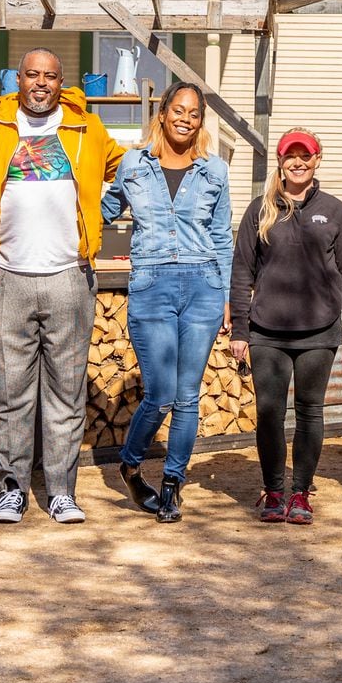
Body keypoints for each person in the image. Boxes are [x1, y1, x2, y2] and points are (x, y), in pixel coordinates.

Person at [0, 49, 124, 525]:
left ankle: (61, 491)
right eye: (32, 75)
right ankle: (13, 489)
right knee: (10, 392)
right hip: (7, 276)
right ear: (16, 79)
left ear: (63, 82)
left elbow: (129, 169)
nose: (41, 83)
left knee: (66, 391)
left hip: (69, 276)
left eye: (50, 76)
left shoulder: (88, 129)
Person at [102, 83, 233, 524]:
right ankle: (131, 463)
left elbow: (221, 237)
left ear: (200, 121)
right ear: (162, 114)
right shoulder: (134, 163)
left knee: (189, 395)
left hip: (203, 286)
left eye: (194, 113)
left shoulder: (214, 170)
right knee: (160, 393)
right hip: (152, 283)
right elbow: (104, 208)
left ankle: (173, 482)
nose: (185, 118)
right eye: (178, 110)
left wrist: (228, 294)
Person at [230, 128, 342, 525]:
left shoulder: (335, 212)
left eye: (306, 156)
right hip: (266, 331)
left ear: (317, 159)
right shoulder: (260, 209)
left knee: (310, 412)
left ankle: (301, 493)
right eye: (291, 156)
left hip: (319, 333)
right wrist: (240, 327)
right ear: (281, 161)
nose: (298, 162)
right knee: (269, 412)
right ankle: (273, 491)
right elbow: (241, 272)